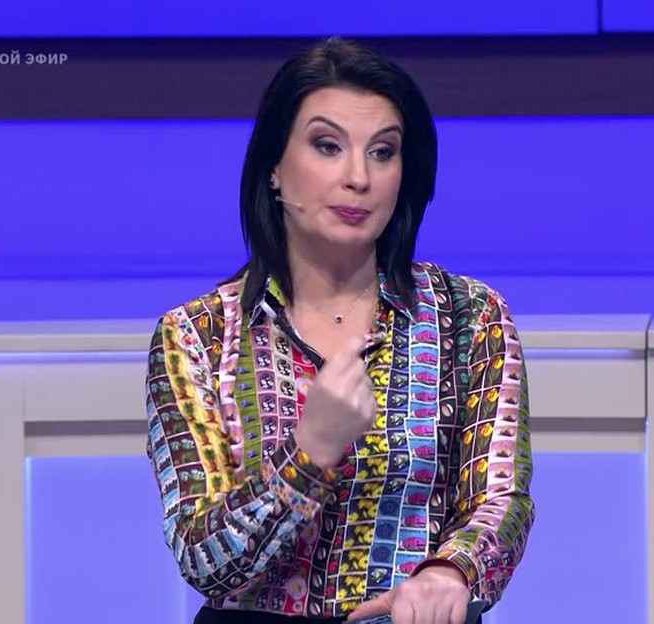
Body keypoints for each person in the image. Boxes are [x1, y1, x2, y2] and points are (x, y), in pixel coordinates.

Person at [145, 37, 533, 624]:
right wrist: (310, 452)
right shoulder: (197, 336)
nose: (358, 177)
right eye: (328, 146)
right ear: (274, 168)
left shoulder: (469, 315)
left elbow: (500, 501)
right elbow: (202, 558)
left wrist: (449, 573)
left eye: (383, 152)